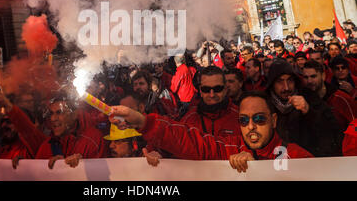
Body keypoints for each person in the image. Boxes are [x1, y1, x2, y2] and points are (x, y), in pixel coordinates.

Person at [109, 91, 313, 174]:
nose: (250, 126)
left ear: (274, 120)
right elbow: (190, 141)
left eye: (259, 119)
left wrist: (259, 168)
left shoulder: (295, 155)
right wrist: (143, 122)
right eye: (243, 120)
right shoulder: (230, 147)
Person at [266, 59, 343, 156]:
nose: (286, 87)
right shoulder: (265, 104)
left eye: (289, 80)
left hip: (309, 161)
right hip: (276, 163)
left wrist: (309, 111)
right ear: (272, 84)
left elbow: (333, 133)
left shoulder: (310, 98)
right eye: (279, 81)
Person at [35, 93, 108, 169]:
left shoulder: (93, 139)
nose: (53, 118)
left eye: (59, 112)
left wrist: (80, 166)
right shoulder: (46, 146)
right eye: (51, 113)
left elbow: (100, 173)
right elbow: (35, 174)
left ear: (74, 114)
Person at [179, 66, 240, 137]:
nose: (212, 95)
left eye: (217, 88)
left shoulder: (239, 117)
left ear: (225, 89)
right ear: (200, 91)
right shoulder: (189, 119)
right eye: (206, 89)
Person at [303, 60, 356, 131]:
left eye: (313, 76)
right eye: (306, 77)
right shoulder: (303, 100)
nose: (309, 81)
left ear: (323, 76)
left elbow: (354, 128)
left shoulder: (341, 99)